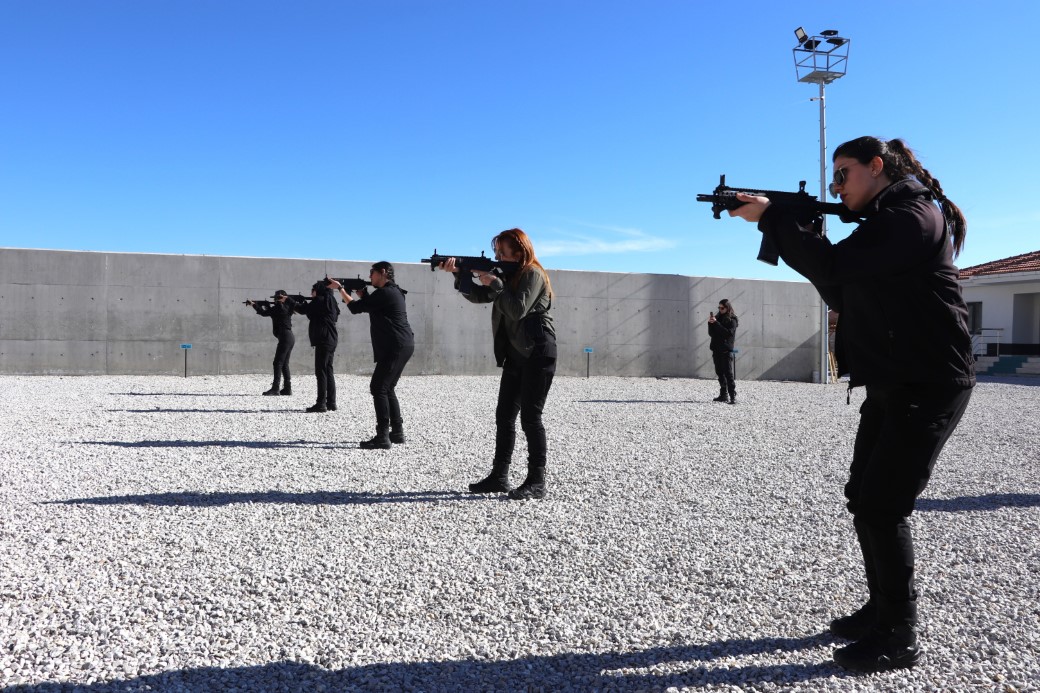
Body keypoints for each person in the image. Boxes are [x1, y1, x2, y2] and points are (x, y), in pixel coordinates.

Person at [727, 136, 975, 673]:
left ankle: (899, 634)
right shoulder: (885, 223)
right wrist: (790, 226)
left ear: (876, 167)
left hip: (930, 381)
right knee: (864, 496)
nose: (836, 187)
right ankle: (881, 611)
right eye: (833, 178)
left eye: (843, 174)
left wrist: (777, 221)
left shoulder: (911, 217)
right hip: (893, 380)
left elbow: (837, 268)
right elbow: (840, 287)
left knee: (884, 505)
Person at [437, 228, 557, 500]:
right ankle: (499, 476)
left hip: (538, 351)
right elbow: (478, 297)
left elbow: (517, 309)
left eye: (502, 252)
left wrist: (494, 282)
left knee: (531, 418)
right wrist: (459, 274)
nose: (497, 256)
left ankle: (537, 480)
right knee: (504, 417)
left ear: (519, 251)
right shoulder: (508, 276)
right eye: (496, 252)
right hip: (516, 353)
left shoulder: (533, 274)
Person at [329, 262, 415, 449]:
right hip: (402, 344)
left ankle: (383, 437)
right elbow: (373, 307)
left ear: (382, 273)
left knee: (378, 388)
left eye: (372, 273)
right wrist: (364, 295)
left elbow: (355, 308)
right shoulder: (394, 291)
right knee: (388, 387)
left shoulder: (385, 293)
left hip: (395, 345)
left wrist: (340, 289)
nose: (370, 277)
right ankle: (397, 432)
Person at [293, 280, 340, 413]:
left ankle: (321, 403)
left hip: (323, 340)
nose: (311, 293)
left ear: (318, 290)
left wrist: (290, 302)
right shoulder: (330, 301)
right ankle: (331, 402)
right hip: (331, 339)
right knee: (328, 370)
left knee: (321, 372)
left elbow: (303, 310)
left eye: (312, 290)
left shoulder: (320, 300)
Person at [247, 290, 296, 396]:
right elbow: (271, 312)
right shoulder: (287, 308)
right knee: (284, 364)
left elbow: (264, 313)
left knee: (277, 363)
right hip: (289, 337)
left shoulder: (278, 308)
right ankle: (287, 388)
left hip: (285, 337)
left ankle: (275, 388)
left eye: (278, 297)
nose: (276, 299)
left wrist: (254, 305)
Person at [708, 298, 738, 404]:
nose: (720, 309)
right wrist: (710, 323)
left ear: (727, 308)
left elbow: (728, 333)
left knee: (728, 374)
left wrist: (716, 324)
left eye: (722, 308)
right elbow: (711, 334)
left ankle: (732, 396)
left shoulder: (732, 320)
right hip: (716, 349)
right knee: (720, 373)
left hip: (725, 350)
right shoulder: (717, 318)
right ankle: (723, 395)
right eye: (719, 307)